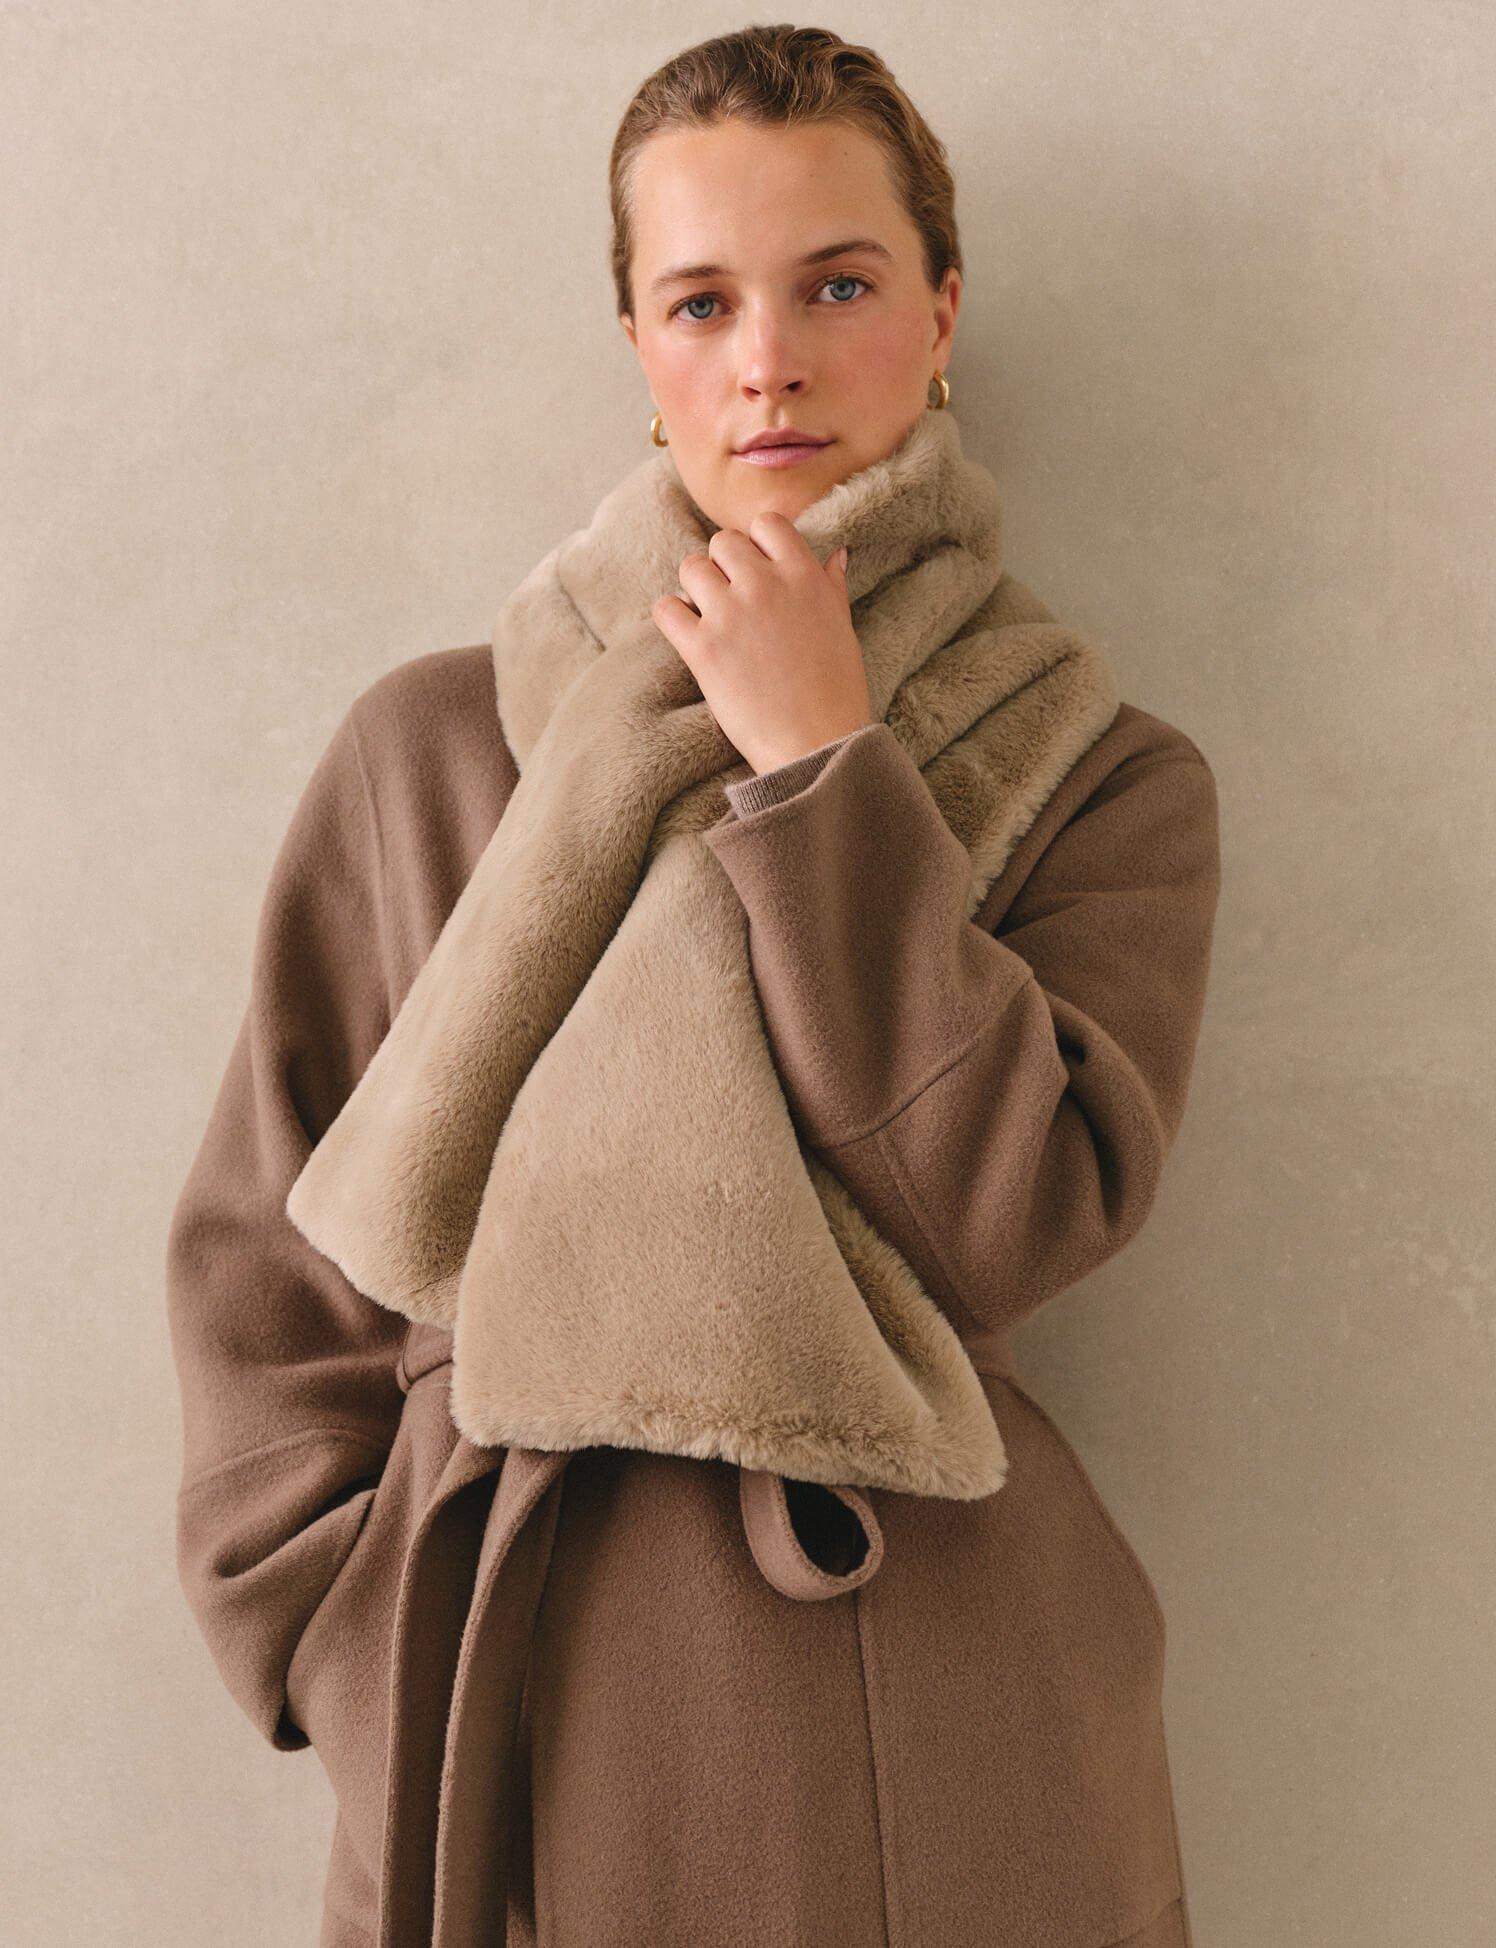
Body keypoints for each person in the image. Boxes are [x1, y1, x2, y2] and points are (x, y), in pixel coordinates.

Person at [167, 25, 1220, 1948]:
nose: (771, 357)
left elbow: (1014, 1216)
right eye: (700, 298)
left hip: (945, 1698)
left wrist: (828, 775)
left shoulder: (1103, 771)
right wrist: (333, 1633)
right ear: (640, 350)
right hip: (504, 1675)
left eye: (839, 282)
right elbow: (266, 1254)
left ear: (940, 308)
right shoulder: (432, 747)